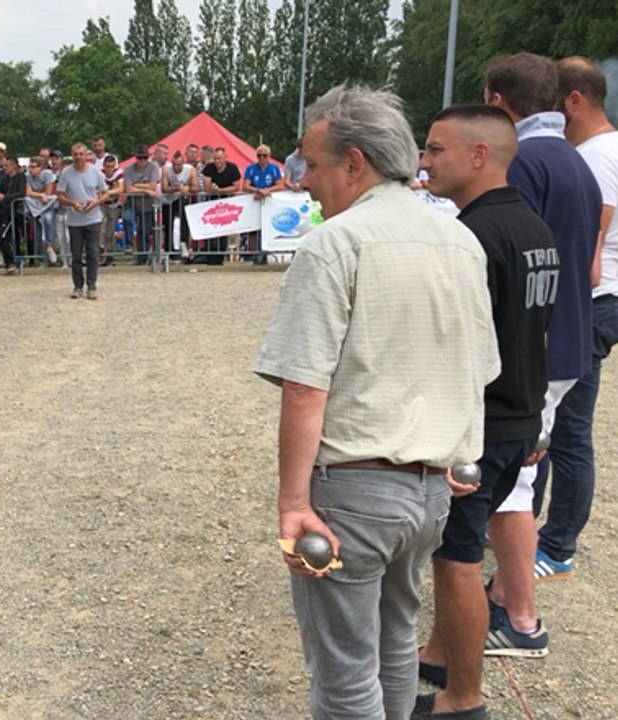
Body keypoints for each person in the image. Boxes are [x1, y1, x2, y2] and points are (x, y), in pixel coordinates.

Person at [253, 85, 500, 720]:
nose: (303, 180)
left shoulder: (333, 245)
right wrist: (460, 453)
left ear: (354, 162)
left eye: (312, 163)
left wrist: (293, 504)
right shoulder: (460, 242)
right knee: (394, 643)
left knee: (343, 674)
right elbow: (479, 368)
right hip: (431, 492)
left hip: (355, 490)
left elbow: (306, 386)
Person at [412, 104, 558, 720]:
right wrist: (536, 421)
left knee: (457, 561)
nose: (423, 161)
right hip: (517, 418)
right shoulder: (534, 228)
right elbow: (536, 333)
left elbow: (461, 348)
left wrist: (446, 438)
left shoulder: (471, 235)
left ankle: (461, 699)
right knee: (461, 553)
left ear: (479, 155)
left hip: (482, 429)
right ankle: (444, 655)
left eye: (435, 149)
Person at [483, 52, 601, 659]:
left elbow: (517, 261)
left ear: (498, 103)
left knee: (512, 481)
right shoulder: (575, 163)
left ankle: (519, 616)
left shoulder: (525, 162)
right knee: (521, 474)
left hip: (536, 348)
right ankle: (507, 592)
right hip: (568, 340)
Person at [531, 55, 618, 583]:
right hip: (603, 300)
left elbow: (591, 244)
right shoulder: (607, 148)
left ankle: (557, 543)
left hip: (592, 301)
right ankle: (539, 529)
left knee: (565, 428)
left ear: (573, 101)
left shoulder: (594, 156)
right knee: (564, 423)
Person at [56, 142, 109, 300]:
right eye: (75, 154)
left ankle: (92, 286)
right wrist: (72, 203)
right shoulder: (66, 173)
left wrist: (96, 202)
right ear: (71, 156)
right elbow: (60, 195)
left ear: (86, 155)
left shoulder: (95, 172)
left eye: (81, 154)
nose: (78, 157)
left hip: (93, 218)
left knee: (93, 253)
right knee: (76, 255)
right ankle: (77, 286)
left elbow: (106, 192)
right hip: (74, 220)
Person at [202, 148, 243, 262]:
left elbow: (236, 186)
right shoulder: (209, 168)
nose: (217, 161)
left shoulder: (233, 168)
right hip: (211, 204)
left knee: (224, 231)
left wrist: (220, 190)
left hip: (227, 204)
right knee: (211, 231)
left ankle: (220, 256)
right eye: (215, 158)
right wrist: (213, 189)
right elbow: (206, 186)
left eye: (219, 158)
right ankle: (211, 256)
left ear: (225, 157)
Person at [122, 145, 159, 264]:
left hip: (148, 205)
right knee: (127, 218)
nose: (142, 161)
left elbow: (153, 186)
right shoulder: (128, 169)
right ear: (136, 158)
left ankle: (142, 257)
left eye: (145, 158)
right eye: (139, 158)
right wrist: (146, 190)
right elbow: (128, 188)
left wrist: (136, 185)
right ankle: (129, 245)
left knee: (144, 231)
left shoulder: (154, 166)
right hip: (132, 202)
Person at [160, 151, 195, 258]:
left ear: (183, 163)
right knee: (167, 225)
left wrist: (187, 188)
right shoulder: (166, 169)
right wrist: (178, 187)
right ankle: (168, 250)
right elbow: (164, 188)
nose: (176, 167)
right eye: (174, 164)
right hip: (168, 200)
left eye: (179, 165)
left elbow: (196, 187)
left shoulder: (190, 169)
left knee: (185, 222)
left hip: (181, 198)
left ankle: (183, 244)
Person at [25, 155, 59, 266]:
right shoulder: (27, 176)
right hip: (35, 204)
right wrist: (40, 195)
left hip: (47, 203)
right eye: (30, 166)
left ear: (41, 168)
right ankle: (42, 259)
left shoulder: (48, 174)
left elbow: (48, 192)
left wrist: (40, 195)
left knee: (48, 220)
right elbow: (28, 192)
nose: (31, 169)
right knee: (37, 231)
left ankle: (49, 244)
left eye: (34, 167)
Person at [0, 156, 27, 271]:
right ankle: (11, 261)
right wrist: (1, 199)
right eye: (3, 166)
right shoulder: (4, 179)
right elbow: (1, 194)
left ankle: (15, 261)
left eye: (7, 166)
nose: (4, 168)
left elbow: (22, 193)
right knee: (3, 236)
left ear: (14, 166)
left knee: (15, 236)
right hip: (6, 212)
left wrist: (5, 197)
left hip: (17, 211)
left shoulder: (20, 177)